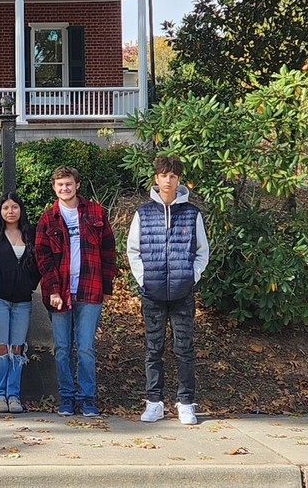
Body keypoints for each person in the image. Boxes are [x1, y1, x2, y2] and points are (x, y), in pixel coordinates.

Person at [127, 155, 210, 426]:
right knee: (153, 349)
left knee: (184, 349)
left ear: (178, 180)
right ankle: (154, 403)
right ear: (156, 178)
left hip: (182, 294)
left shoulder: (191, 213)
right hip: (152, 293)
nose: (168, 180)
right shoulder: (143, 213)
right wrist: (144, 280)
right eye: (164, 175)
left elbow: (202, 252)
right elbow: (133, 250)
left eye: (173, 176)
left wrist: (190, 276)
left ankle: (186, 403)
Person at [34, 166, 117, 418]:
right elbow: (42, 257)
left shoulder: (95, 212)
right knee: (61, 348)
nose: (65, 188)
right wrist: (54, 290)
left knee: (85, 348)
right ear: (54, 187)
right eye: (60, 185)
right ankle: (67, 398)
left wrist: (107, 287)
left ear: (77, 185)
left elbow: (108, 252)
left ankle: (87, 398)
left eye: (68, 184)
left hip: (90, 289)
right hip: (59, 293)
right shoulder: (48, 218)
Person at [0, 192, 41, 414]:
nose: (11, 211)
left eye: (15, 207)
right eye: (6, 208)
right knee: (1, 347)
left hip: (22, 301)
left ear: (21, 210)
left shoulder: (31, 233)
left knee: (17, 348)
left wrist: (30, 283)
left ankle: (14, 395)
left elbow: (39, 263)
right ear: (0, 211)